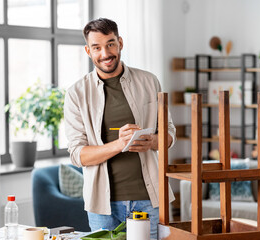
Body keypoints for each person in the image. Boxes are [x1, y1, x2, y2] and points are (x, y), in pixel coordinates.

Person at [64, 18, 176, 239]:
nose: (105, 53)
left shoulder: (149, 81)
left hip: (149, 200)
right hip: (101, 205)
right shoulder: (76, 93)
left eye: (110, 44)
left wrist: (152, 141)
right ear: (88, 50)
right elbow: (78, 155)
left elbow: (169, 133)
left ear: (120, 43)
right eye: (97, 47)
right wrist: (119, 144)